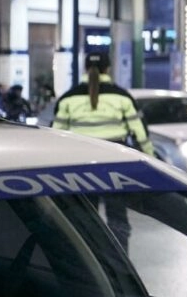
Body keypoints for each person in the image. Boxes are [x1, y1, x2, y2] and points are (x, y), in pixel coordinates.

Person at [52, 52, 156, 250]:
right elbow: (140, 134)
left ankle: (90, 262)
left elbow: (56, 137)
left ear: (85, 69)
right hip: (114, 164)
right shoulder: (122, 97)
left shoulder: (68, 98)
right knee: (117, 218)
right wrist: (150, 159)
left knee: (86, 219)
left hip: (79, 166)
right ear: (108, 69)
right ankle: (120, 262)